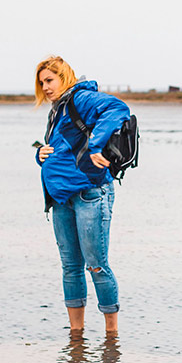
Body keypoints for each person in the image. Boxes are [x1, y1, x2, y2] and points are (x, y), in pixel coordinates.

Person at [34, 56, 130, 335]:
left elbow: (117, 109)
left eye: (49, 80)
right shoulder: (58, 109)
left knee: (96, 264)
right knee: (70, 267)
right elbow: (63, 150)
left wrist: (97, 145)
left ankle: (111, 333)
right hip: (62, 198)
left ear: (64, 77)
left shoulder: (82, 98)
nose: (46, 87)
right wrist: (40, 156)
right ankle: (76, 334)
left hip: (90, 192)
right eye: (42, 83)